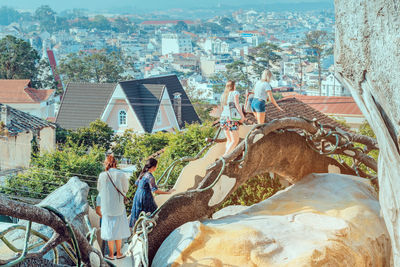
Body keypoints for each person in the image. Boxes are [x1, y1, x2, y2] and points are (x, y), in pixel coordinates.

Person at [97, 155, 130, 260]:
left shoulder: (102, 175)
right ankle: (119, 253)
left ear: (106, 164)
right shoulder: (121, 174)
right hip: (119, 205)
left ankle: (111, 255)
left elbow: (99, 189)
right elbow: (125, 189)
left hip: (106, 207)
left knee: (109, 230)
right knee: (118, 230)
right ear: (115, 163)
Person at [129, 158, 172, 228]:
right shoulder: (150, 177)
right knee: (153, 214)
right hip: (145, 197)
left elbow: (136, 183)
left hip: (138, 196)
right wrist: (168, 192)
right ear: (153, 167)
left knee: (138, 216)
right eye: (156, 166)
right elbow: (155, 190)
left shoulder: (143, 174)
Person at [220, 80, 245, 156]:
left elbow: (222, 107)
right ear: (233, 86)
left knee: (229, 140)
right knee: (235, 140)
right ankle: (225, 157)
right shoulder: (235, 93)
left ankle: (227, 157)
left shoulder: (223, 95)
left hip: (223, 119)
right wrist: (242, 116)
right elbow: (237, 105)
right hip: (231, 119)